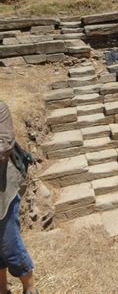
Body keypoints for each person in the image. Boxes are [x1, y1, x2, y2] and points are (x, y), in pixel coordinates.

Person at [0, 101, 36, 294]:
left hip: (3, 191)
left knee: (10, 245)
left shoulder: (0, 109)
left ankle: (29, 288)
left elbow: (4, 146)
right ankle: (2, 288)